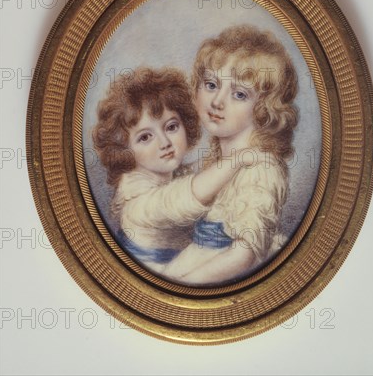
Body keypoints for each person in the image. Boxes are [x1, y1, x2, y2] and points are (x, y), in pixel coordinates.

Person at [163, 24, 299, 285]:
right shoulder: (218, 159)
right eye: (211, 84)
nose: (217, 101)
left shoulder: (261, 169)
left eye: (239, 94)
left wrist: (185, 288)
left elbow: (242, 257)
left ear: (264, 109)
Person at [92, 66, 249, 274]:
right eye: (145, 137)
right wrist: (238, 160)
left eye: (171, 127)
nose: (165, 142)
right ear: (124, 150)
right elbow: (178, 199)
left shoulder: (174, 176)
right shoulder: (135, 202)